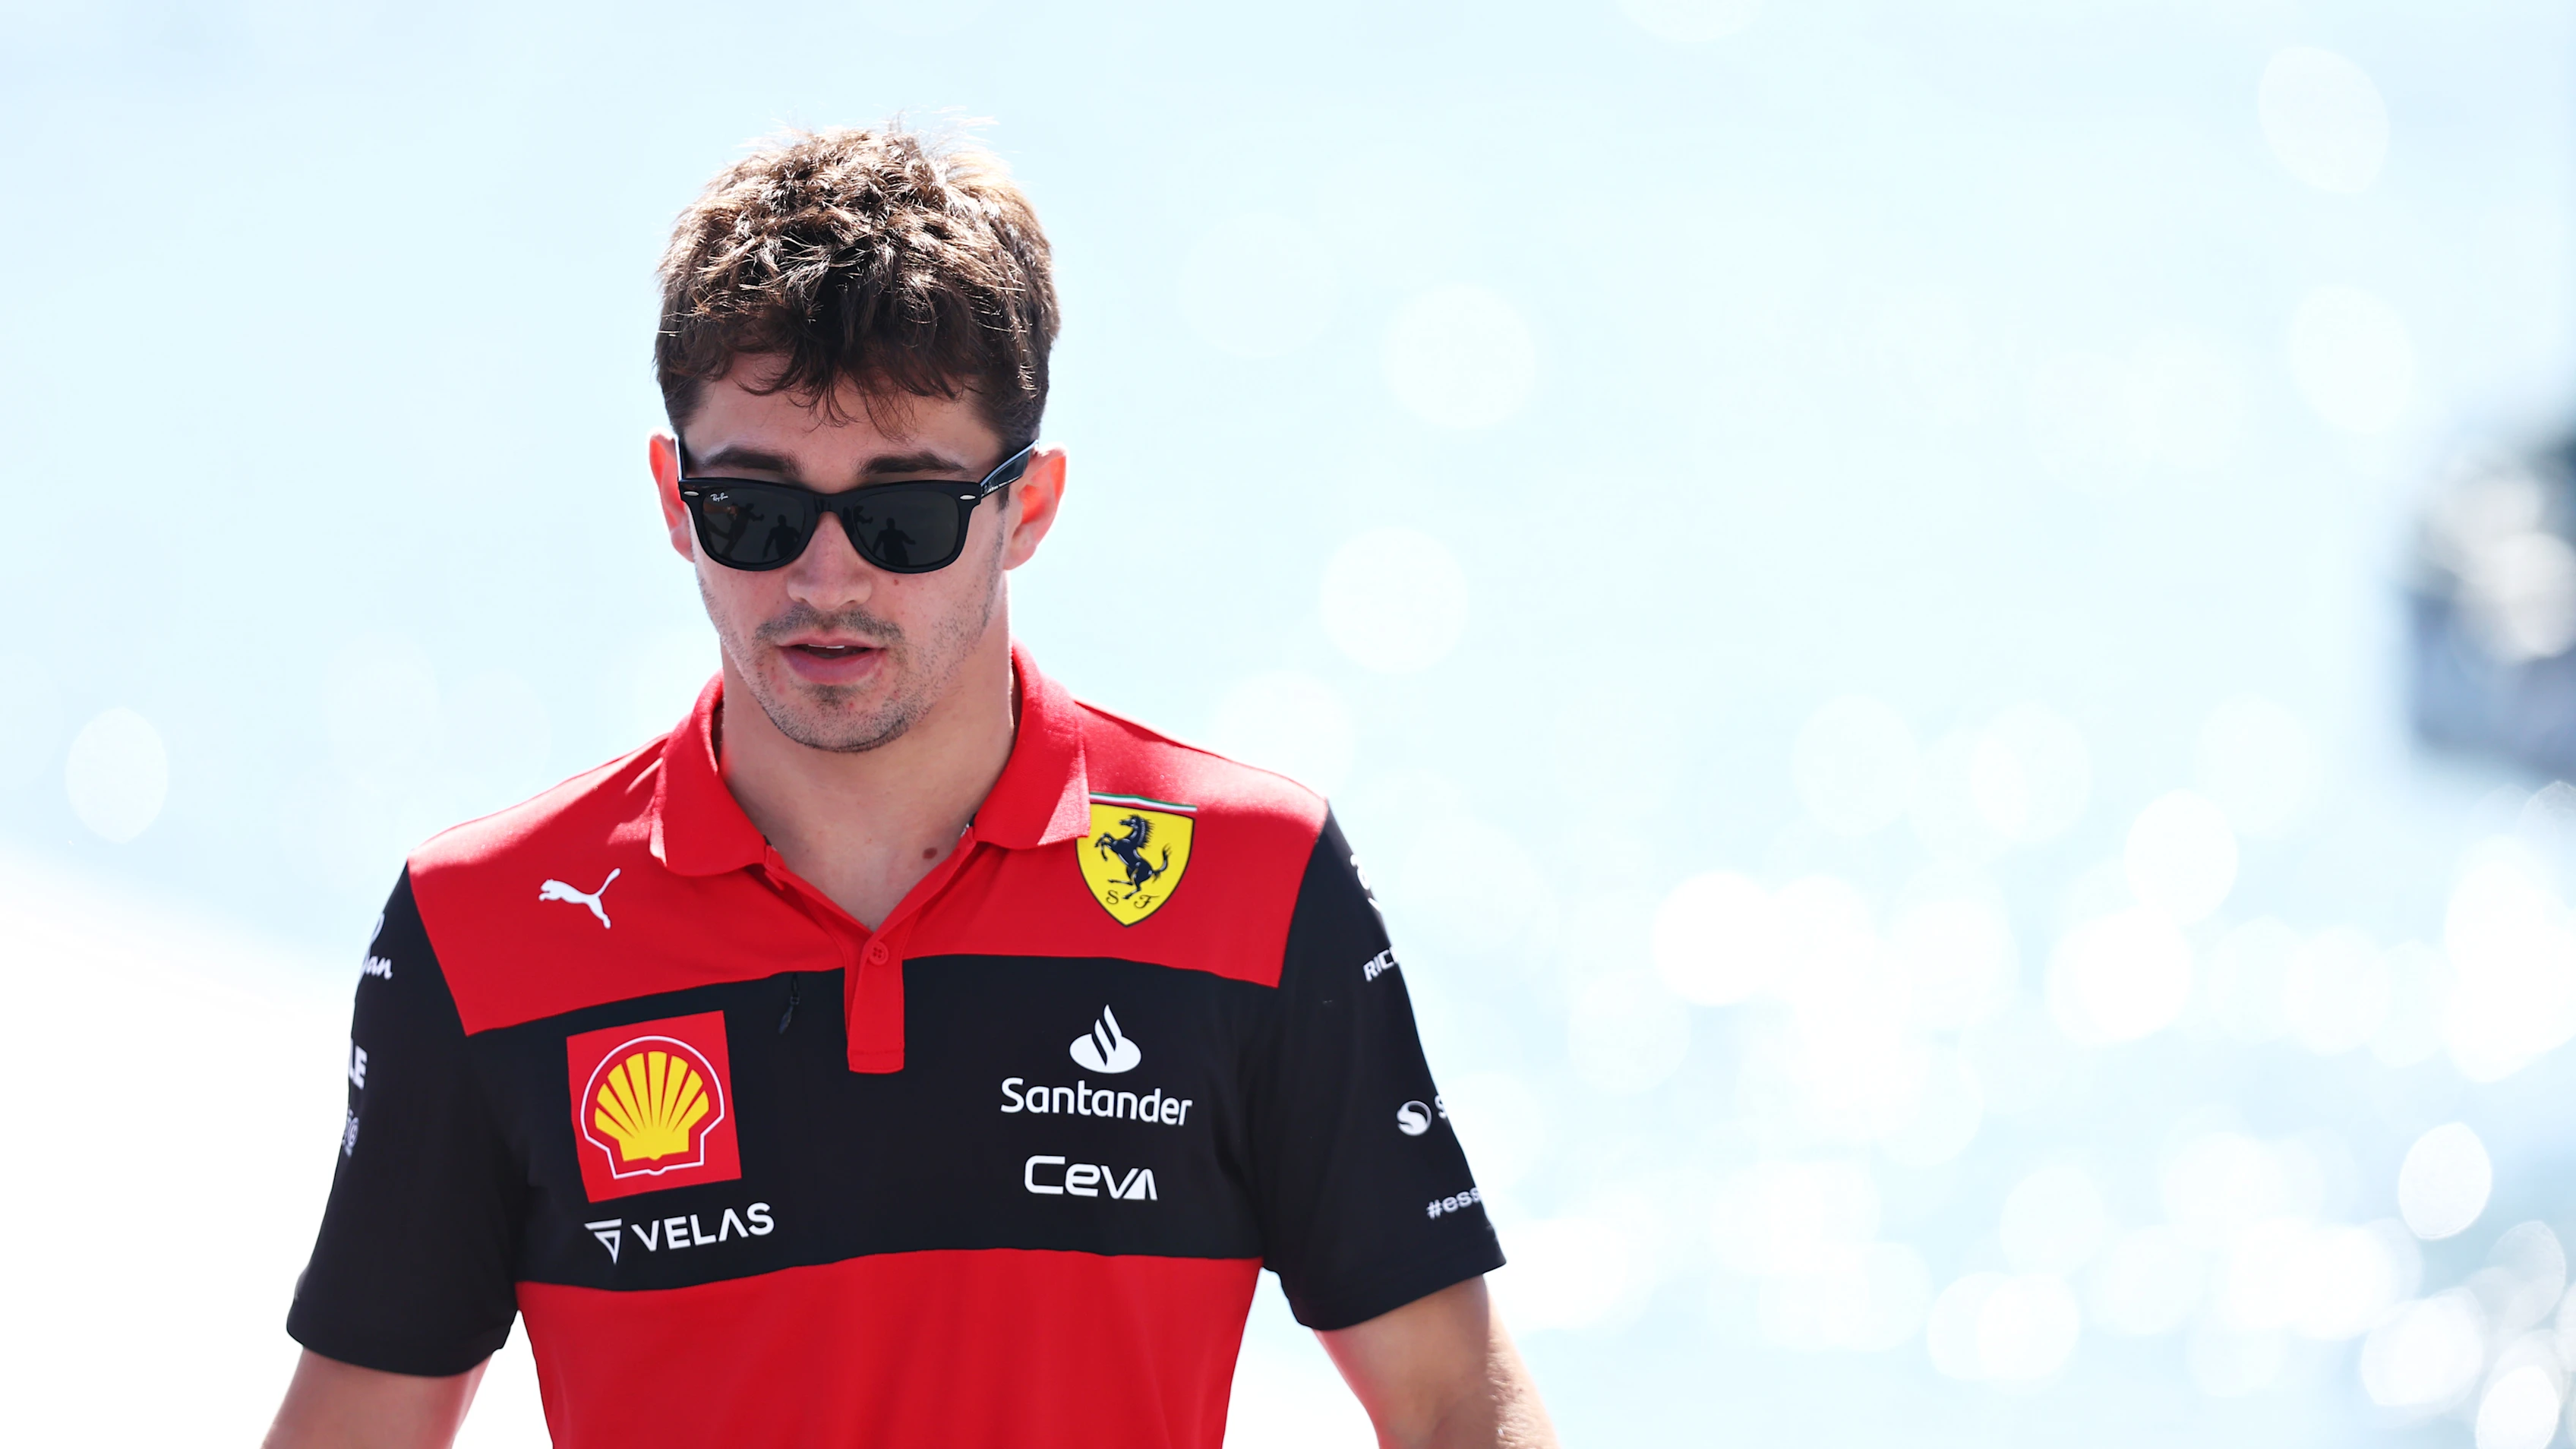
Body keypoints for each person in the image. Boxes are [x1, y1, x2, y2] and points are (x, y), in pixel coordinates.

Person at [264, 125, 1555, 1449]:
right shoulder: (481, 925)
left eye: (905, 518)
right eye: (755, 511)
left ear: (1027, 509)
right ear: (674, 498)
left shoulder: (1252, 880)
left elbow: (1454, 1401)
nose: (825, 581)